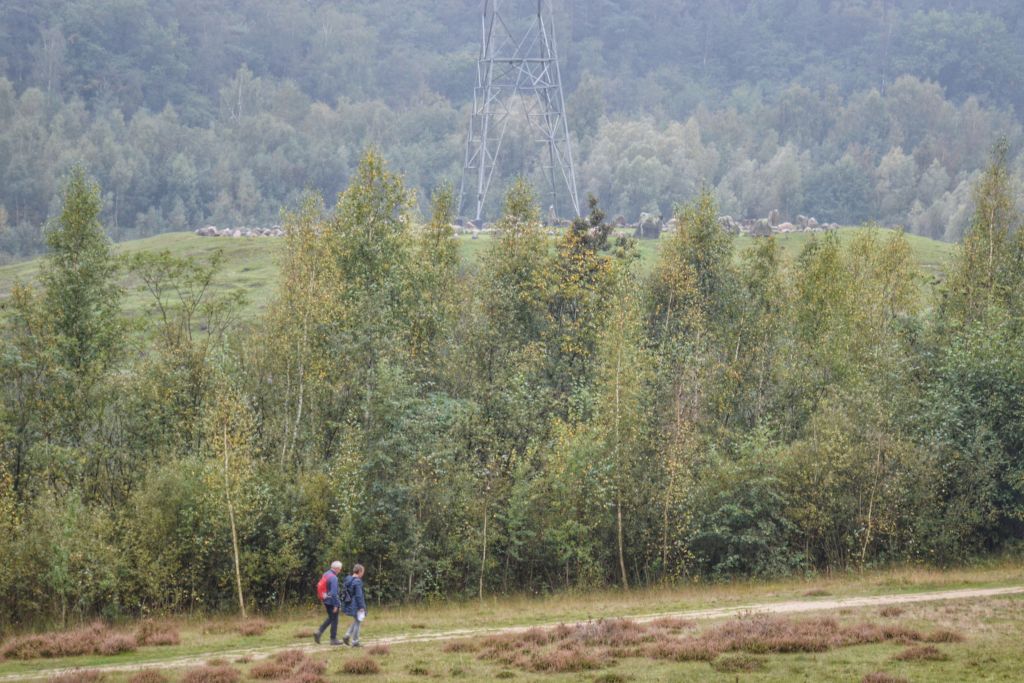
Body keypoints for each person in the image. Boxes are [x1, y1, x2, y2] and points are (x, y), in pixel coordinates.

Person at [314, 561, 344, 645]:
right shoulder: (334, 578)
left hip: (326, 600)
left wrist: (324, 600)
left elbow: (322, 588)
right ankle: (333, 639)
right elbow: (334, 593)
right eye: (340, 569)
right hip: (332, 601)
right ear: (337, 568)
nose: (340, 571)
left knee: (331, 618)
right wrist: (336, 605)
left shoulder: (326, 574)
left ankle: (319, 632)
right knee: (335, 619)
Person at [342, 564, 367, 647]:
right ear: (359, 571)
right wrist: (361, 607)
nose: (362, 574)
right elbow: (359, 595)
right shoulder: (357, 581)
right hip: (356, 604)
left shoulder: (348, 579)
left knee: (356, 620)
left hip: (349, 603)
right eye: (362, 572)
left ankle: (347, 635)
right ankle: (355, 641)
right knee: (358, 622)